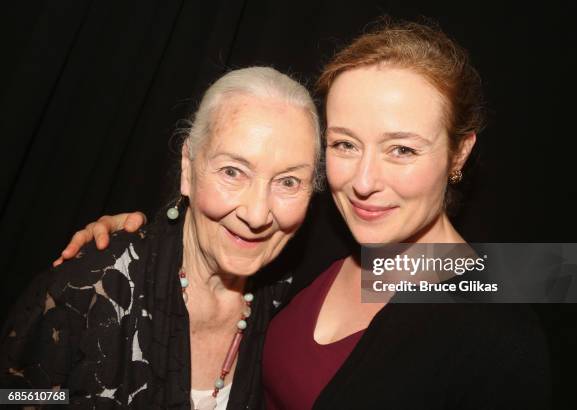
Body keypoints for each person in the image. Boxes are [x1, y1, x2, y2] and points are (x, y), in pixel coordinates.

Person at [50, 22, 551, 409]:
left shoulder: (500, 334)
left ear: (459, 154)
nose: (363, 181)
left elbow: (572, 274)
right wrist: (144, 241)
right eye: (344, 144)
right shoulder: (322, 237)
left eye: (401, 150)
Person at [0, 66, 321, 409]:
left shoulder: (294, 293)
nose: (257, 215)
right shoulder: (85, 290)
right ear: (187, 168)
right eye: (232, 172)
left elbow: (383, 276)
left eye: (288, 182)